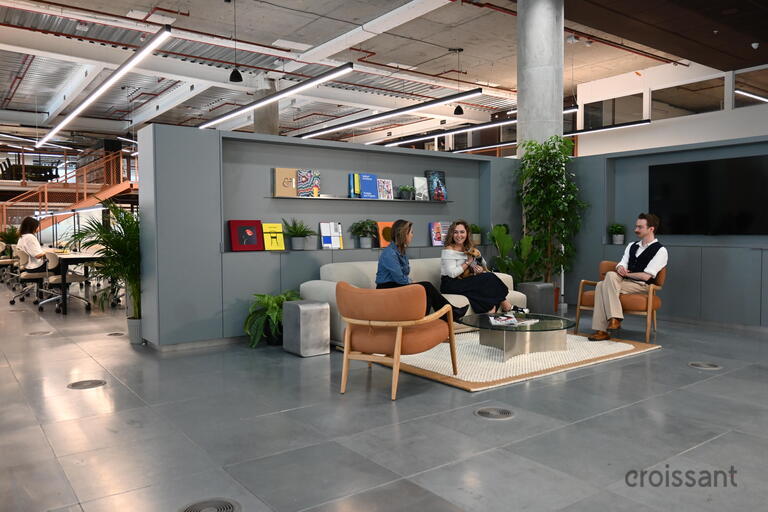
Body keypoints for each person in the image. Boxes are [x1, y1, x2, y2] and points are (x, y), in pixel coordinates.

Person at [589, 213, 668, 341]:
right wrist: (620, 267)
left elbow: (646, 276)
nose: (636, 230)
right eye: (636, 226)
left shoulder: (660, 250)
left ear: (651, 229)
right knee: (609, 275)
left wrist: (627, 274)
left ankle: (602, 329)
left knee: (601, 285)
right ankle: (615, 319)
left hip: (642, 286)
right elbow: (622, 262)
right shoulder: (632, 245)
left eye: (640, 227)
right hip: (624, 281)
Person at [375, 219, 468, 321]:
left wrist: (411, 282)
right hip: (386, 290)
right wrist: (412, 283)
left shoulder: (401, 251)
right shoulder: (389, 253)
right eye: (411, 232)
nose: (412, 235)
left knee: (425, 289)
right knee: (426, 286)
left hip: (396, 287)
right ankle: (450, 313)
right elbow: (400, 278)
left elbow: (405, 273)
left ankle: (442, 316)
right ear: (403, 234)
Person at [440, 219, 512, 314]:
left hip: (463, 280)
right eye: (455, 232)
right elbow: (452, 274)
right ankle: (506, 305)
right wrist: (468, 262)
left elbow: (481, 263)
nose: (459, 235)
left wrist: (480, 269)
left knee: (486, 281)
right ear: (451, 234)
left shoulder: (467, 248)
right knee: (489, 278)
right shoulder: (448, 250)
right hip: (450, 284)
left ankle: (491, 310)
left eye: (462, 232)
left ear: (467, 233)